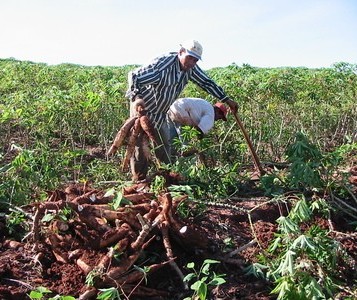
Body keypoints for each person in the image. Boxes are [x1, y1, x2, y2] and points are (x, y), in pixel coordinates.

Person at [125, 39, 238, 181]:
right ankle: (139, 180)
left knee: (164, 145)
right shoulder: (163, 65)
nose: (191, 63)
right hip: (143, 109)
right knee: (140, 146)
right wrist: (137, 97)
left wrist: (226, 99)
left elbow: (206, 82)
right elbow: (134, 75)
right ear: (181, 52)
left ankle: (167, 179)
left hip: (161, 112)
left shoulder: (191, 69)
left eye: (195, 60)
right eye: (189, 57)